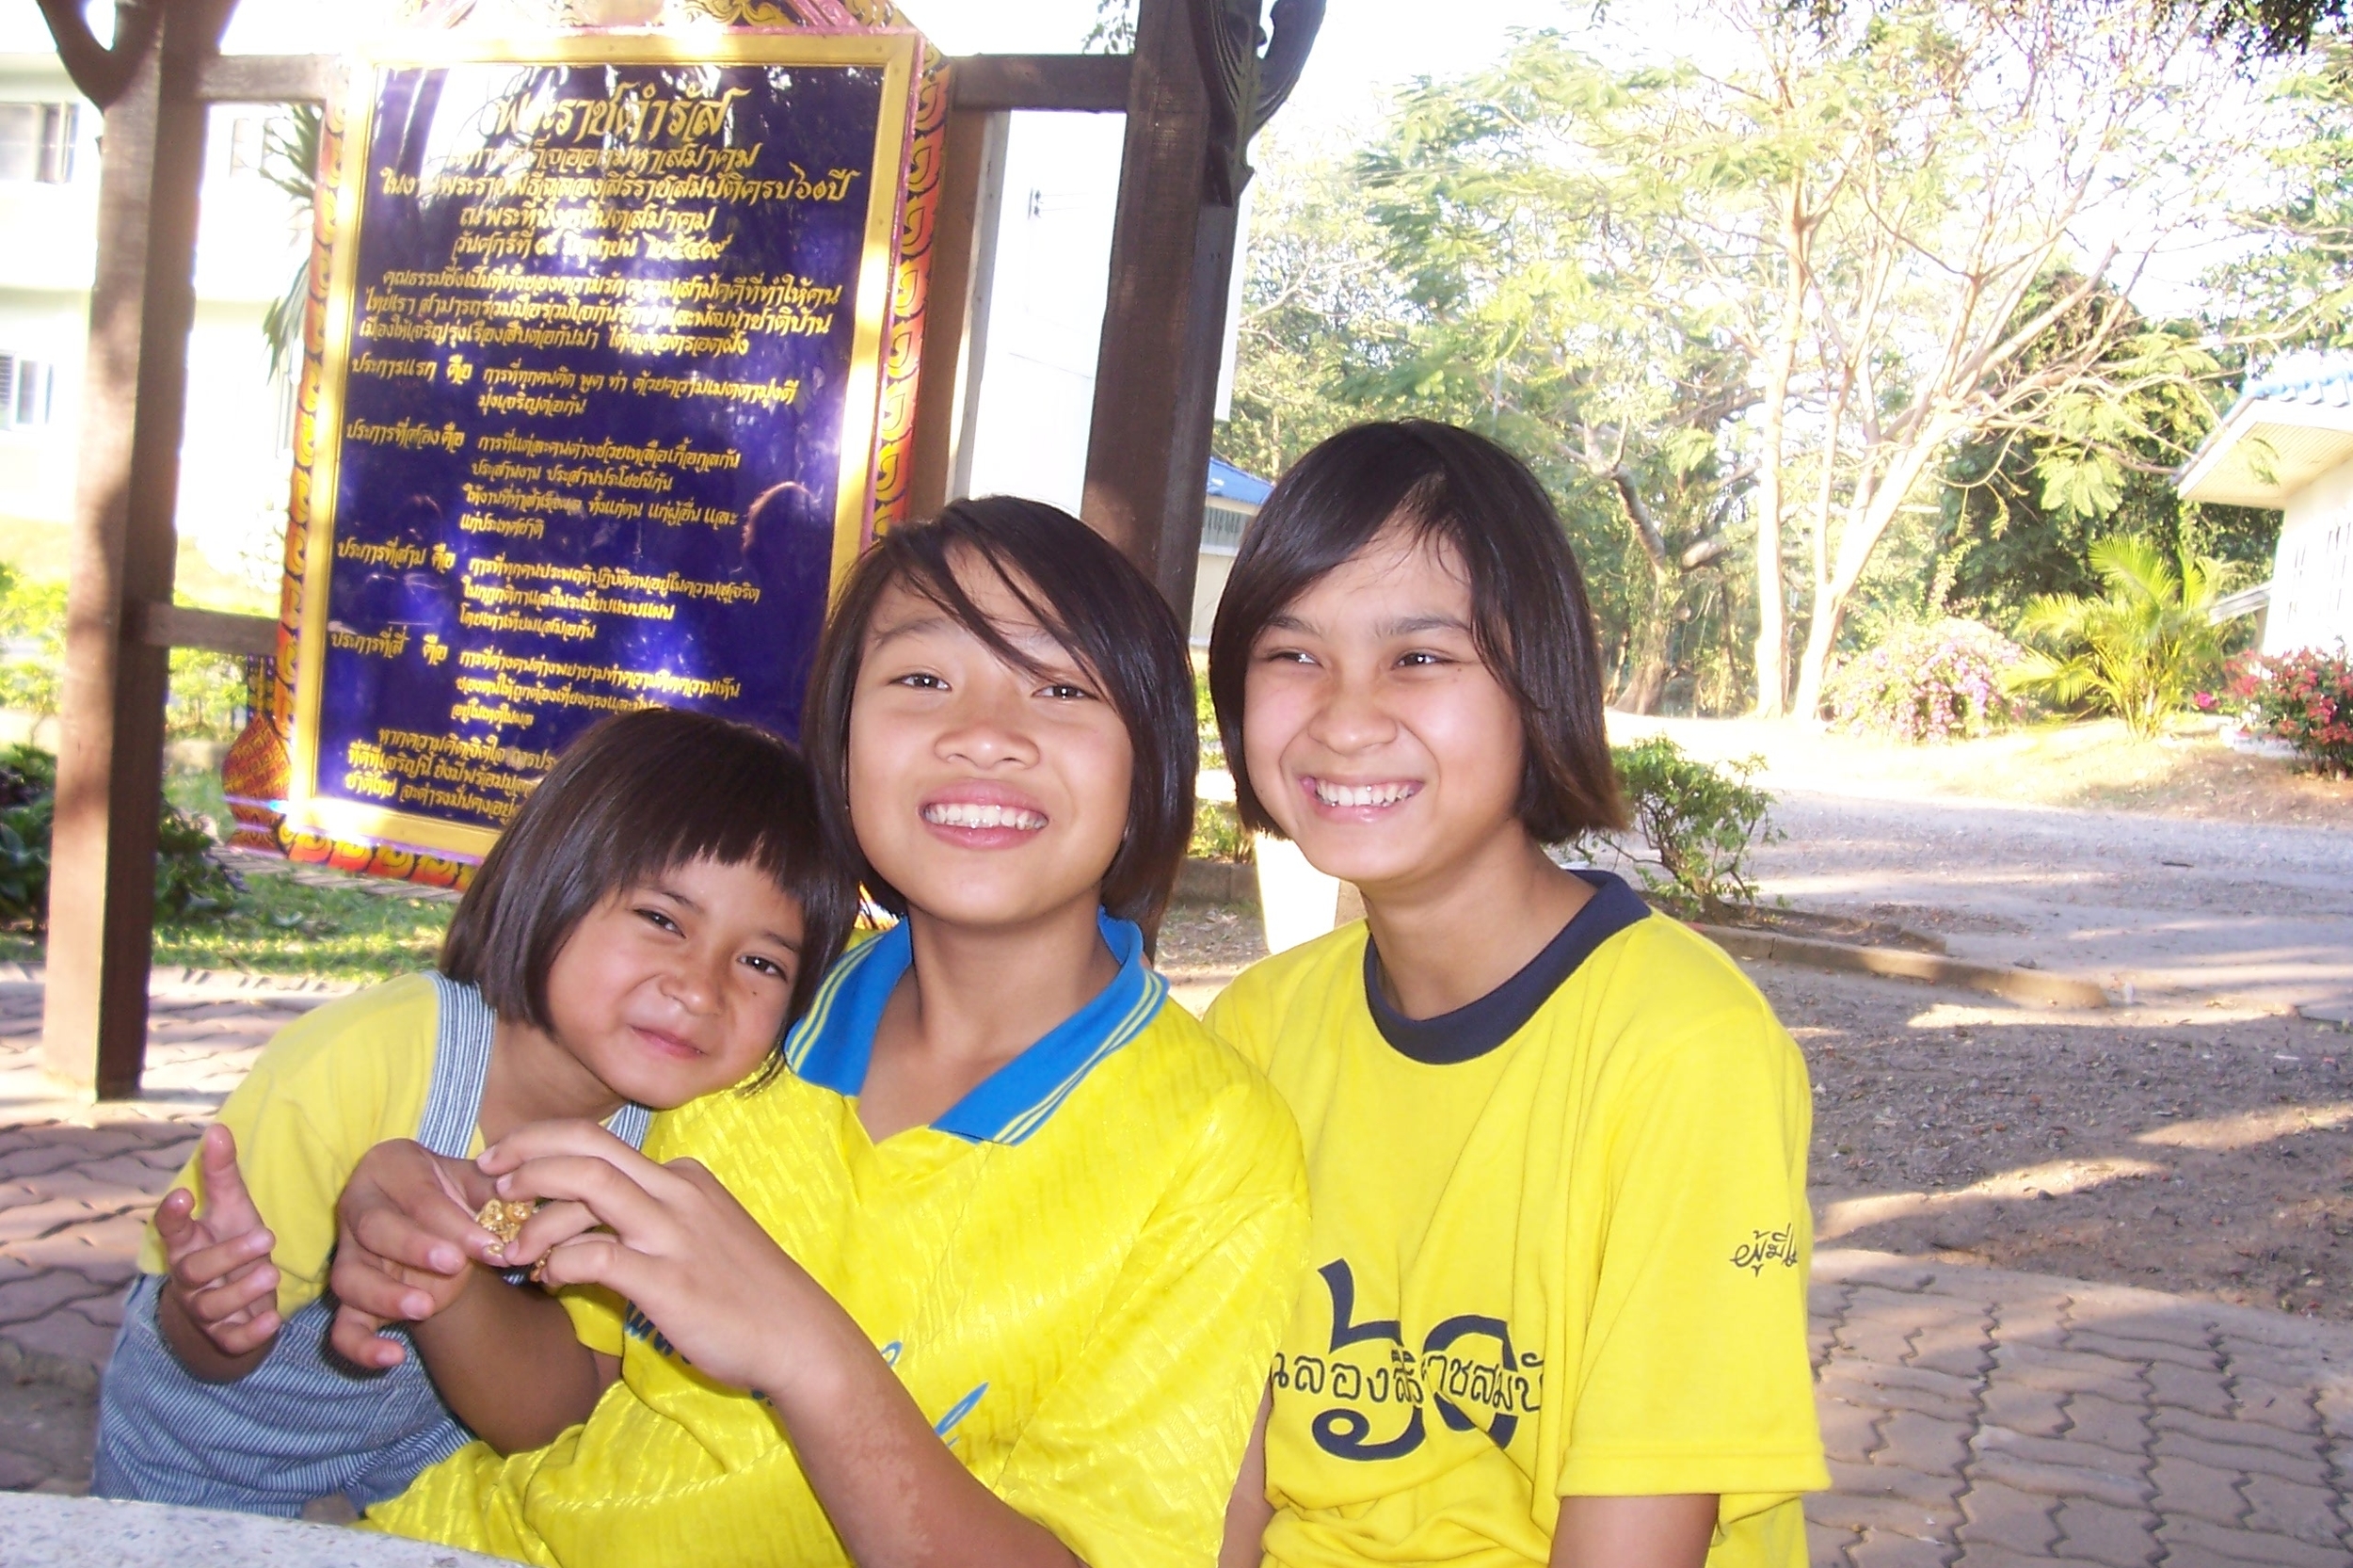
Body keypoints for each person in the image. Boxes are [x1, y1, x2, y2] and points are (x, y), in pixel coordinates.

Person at [337, 496, 1310, 1568]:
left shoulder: (1213, 1144)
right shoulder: (747, 1013)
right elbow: (578, 1403)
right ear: (841, 746)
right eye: (923, 679)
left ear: (1148, 773)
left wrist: (805, 1352)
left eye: (1062, 686)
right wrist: (439, 1267)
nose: (983, 732)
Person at [1201, 422, 1826, 1568]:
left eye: (1420, 658)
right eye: (1292, 655)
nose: (1343, 715)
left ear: (1535, 684)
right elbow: (1221, 1481)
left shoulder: (1685, 1050)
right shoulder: (1257, 1028)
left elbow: (1637, 1537)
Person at [90, 707, 849, 1518]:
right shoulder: (361, 1063)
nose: (701, 988)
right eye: (662, 920)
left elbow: (551, 1415)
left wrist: (443, 1282)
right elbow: (206, 1348)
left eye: (761, 962)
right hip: (215, 1436)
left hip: (433, 1440)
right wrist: (211, 1314)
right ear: (551, 882)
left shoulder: (680, 1142)